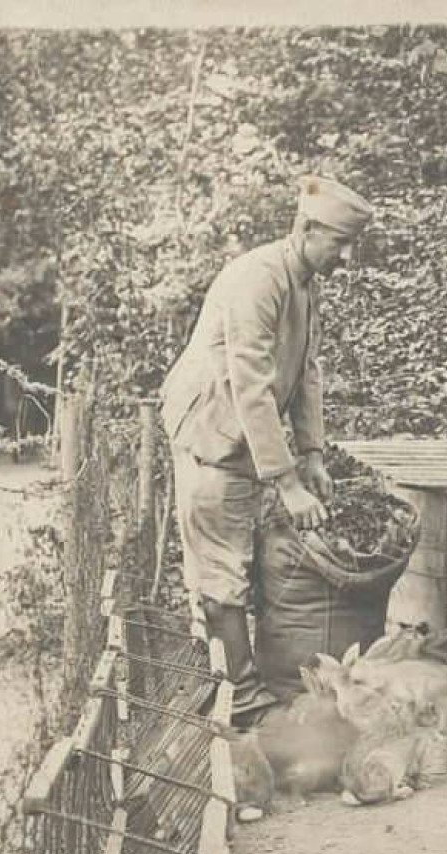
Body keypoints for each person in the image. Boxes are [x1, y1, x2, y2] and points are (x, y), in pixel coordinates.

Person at [160, 174, 374, 721]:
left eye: (351, 244)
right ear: (305, 229)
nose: (347, 257)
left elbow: (306, 371)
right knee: (221, 571)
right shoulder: (257, 278)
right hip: (213, 435)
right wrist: (287, 483)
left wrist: (313, 455)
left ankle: (232, 683)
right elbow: (250, 383)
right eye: (339, 243)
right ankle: (245, 705)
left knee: (238, 563)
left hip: (246, 439)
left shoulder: (304, 279)